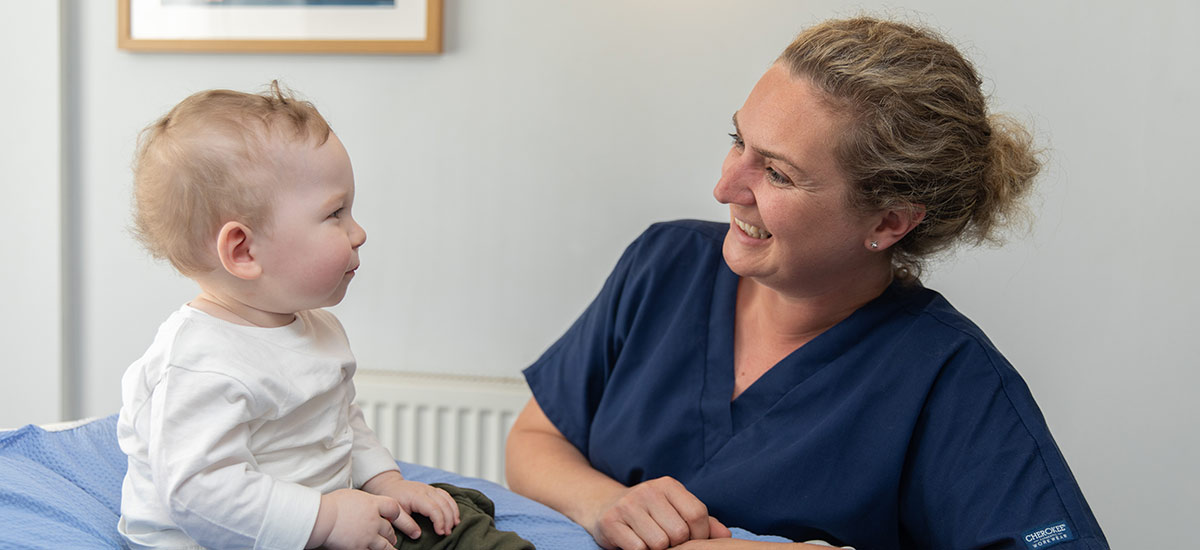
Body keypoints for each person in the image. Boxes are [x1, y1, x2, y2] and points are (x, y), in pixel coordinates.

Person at [505, 16, 1108, 550]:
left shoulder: (949, 377)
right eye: (738, 140)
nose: (726, 187)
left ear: (888, 221)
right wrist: (605, 504)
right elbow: (534, 439)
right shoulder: (666, 264)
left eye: (777, 173)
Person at [116, 83, 461, 550]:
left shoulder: (316, 327)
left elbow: (339, 423)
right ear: (243, 250)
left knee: (463, 514)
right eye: (335, 213)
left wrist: (384, 480)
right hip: (210, 541)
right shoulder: (200, 362)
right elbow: (200, 493)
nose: (358, 232)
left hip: (313, 526)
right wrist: (325, 518)